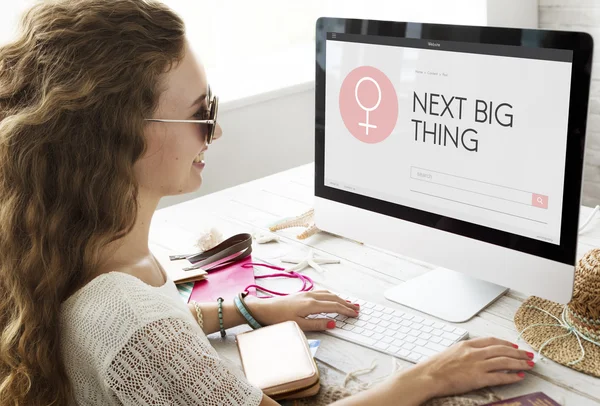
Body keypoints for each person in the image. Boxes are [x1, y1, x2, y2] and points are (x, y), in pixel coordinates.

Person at [0, 1, 536, 405]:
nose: (216, 130)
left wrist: (246, 310)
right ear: (120, 137)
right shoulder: (127, 317)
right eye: (201, 111)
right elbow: (135, 332)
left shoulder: (64, 244)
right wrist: (427, 377)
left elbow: (138, 331)